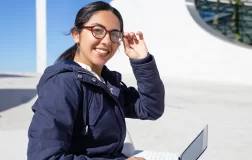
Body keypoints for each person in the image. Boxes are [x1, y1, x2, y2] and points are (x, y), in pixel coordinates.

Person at [27, 1, 165, 160]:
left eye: (114, 34)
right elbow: (45, 157)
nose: (107, 41)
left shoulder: (108, 83)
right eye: (97, 30)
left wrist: (142, 61)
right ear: (76, 35)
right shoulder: (62, 84)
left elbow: (151, 109)